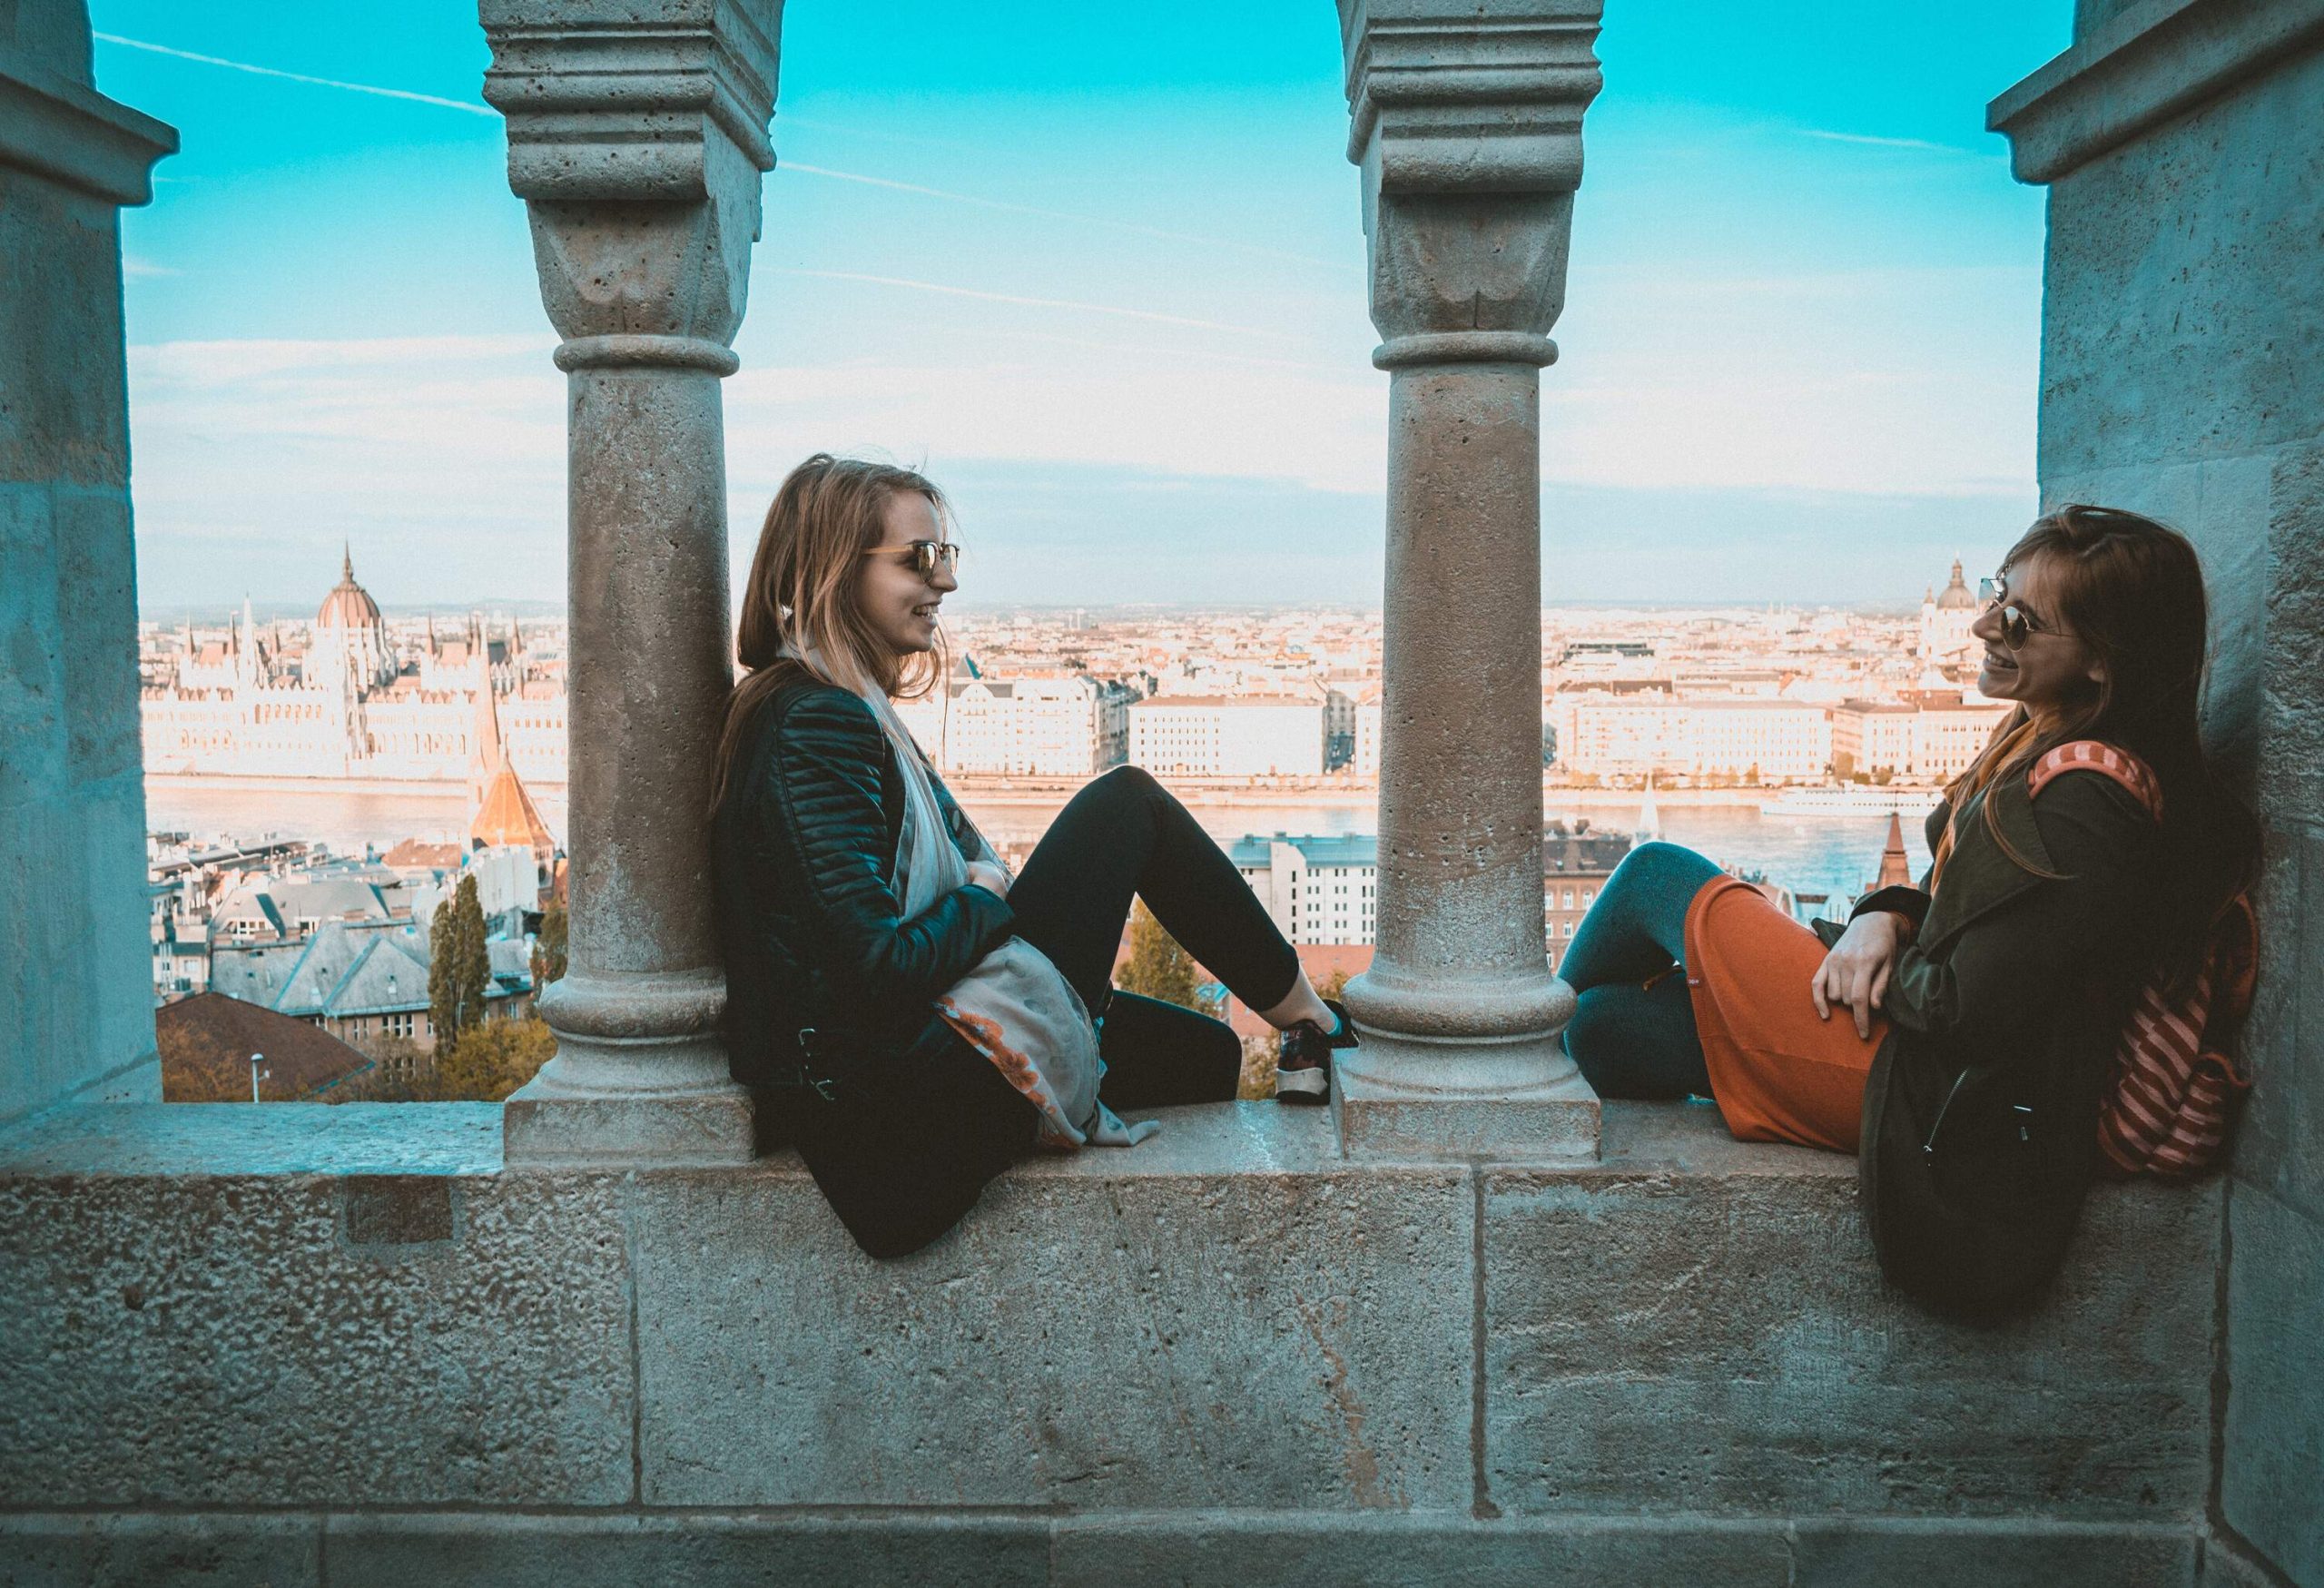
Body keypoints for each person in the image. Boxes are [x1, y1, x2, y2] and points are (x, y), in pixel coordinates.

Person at [1555, 506, 2258, 1314]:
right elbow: (1972, 914)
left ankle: (1495, 1072)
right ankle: (1538, 1061)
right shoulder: (2046, 741)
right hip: (1922, 1056)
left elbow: (1970, 1006)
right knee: (1604, 1027)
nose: (1984, 623)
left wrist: (1872, 962)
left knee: (1653, 873)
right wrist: (1883, 913)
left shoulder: (2086, 800)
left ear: (2102, 661)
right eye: (1998, 592)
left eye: (2020, 619)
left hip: (1925, 1080)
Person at [710, 455, 1356, 1258]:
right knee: (1126, 807)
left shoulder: (815, 703)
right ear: (835, 571)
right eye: (920, 557)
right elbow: (874, 970)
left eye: (946, 556)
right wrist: (986, 895)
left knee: (1204, 1052)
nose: (943, 582)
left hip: (908, 1069)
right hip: (898, 1119)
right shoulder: (817, 722)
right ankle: (1316, 1024)